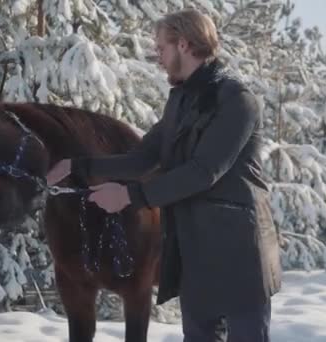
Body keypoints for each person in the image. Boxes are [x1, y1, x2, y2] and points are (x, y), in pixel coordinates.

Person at [46, 8, 281, 342]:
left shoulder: (237, 101)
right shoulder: (180, 101)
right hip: (193, 249)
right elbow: (144, 157)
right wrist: (78, 166)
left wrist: (129, 196)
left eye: (161, 48)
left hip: (239, 251)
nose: (157, 56)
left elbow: (203, 172)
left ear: (184, 44)